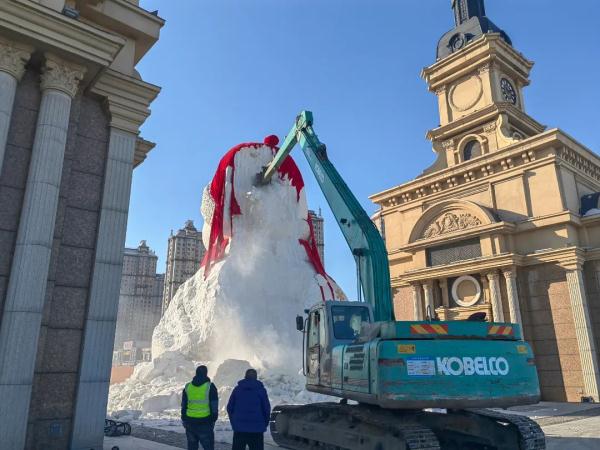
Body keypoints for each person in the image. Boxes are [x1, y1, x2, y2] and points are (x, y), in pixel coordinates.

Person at [227, 368, 271, 450]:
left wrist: (234, 423)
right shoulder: (261, 390)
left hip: (239, 430)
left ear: (245, 377)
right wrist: (264, 424)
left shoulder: (237, 390)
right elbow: (266, 409)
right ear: (256, 377)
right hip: (257, 430)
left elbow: (230, 408)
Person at [181, 365, 219, 450]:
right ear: (206, 374)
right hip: (205, 422)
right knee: (208, 447)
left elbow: (184, 405)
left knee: (192, 447)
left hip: (190, 422)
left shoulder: (188, 387)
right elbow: (214, 405)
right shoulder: (210, 387)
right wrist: (213, 419)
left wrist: (184, 418)